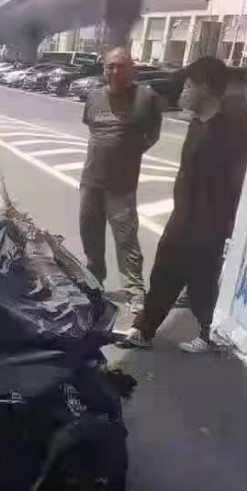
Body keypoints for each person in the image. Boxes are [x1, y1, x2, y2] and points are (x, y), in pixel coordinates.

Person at [120, 56, 247, 353]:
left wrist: (219, 228)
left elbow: (233, 185)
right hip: (184, 218)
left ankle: (203, 333)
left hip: (206, 225)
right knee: (171, 275)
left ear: (204, 87)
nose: (183, 92)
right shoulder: (197, 125)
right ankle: (147, 330)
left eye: (188, 86)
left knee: (196, 281)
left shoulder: (229, 134)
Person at [80, 46, 163, 314]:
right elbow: (93, 131)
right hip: (91, 182)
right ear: (104, 69)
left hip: (122, 185)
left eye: (121, 66)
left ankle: (135, 291)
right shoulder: (94, 97)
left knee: (126, 239)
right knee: (90, 236)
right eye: (110, 66)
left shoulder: (146, 97)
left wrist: (129, 153)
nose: (115, 71)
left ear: (132, 70)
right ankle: (94, 281)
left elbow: (153, 134)